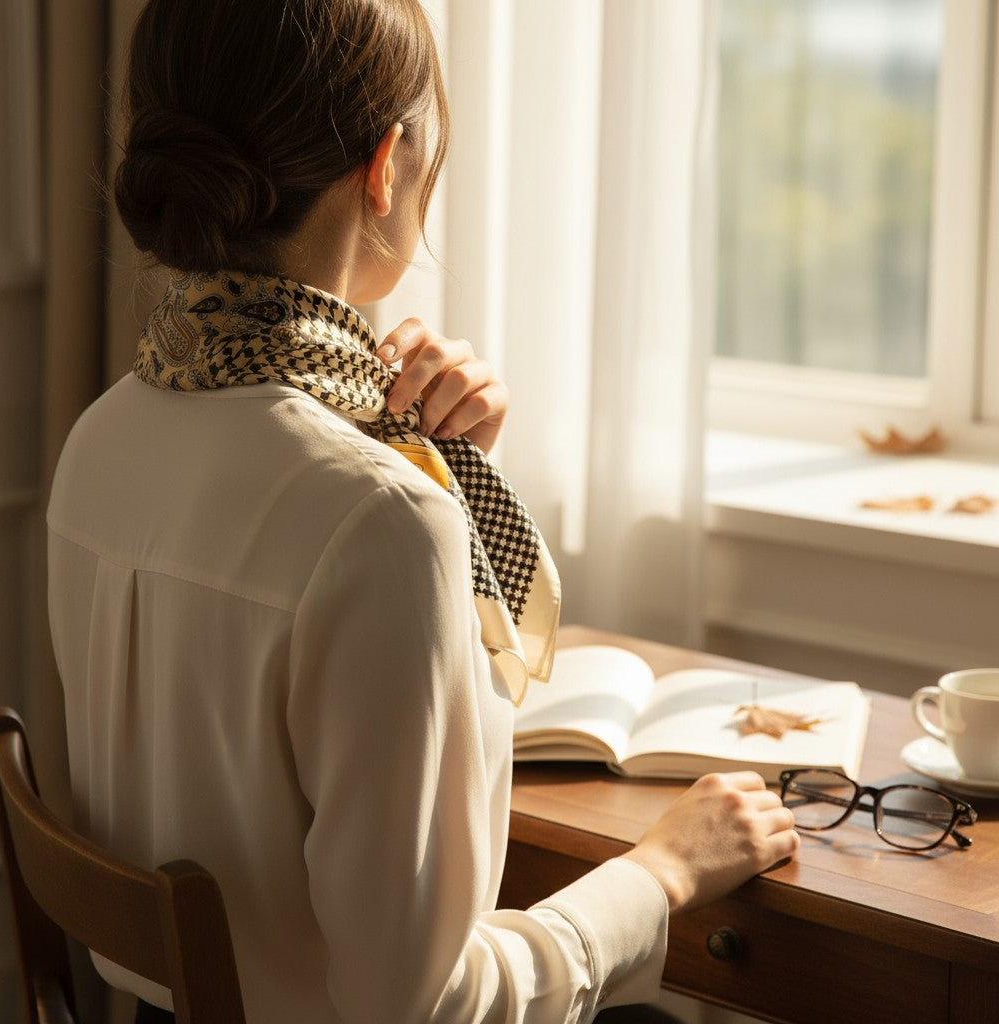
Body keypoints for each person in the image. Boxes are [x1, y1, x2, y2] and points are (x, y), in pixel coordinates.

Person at [46, 2, 799, 1022]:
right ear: (388, 161)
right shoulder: (378, 522)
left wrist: (433, 464)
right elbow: (424, 1007)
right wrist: (660, 872)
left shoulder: (100, 438)